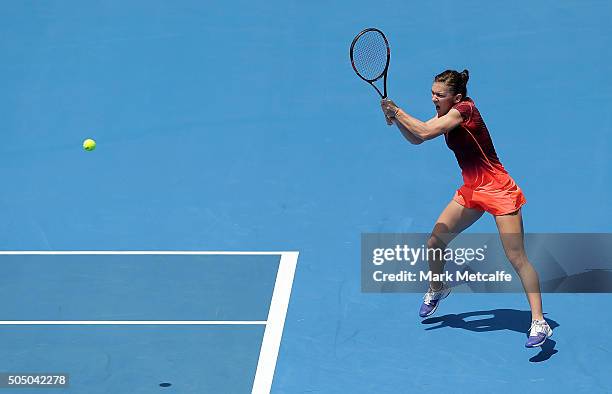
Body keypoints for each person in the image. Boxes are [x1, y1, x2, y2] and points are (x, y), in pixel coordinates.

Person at [380, 69, 553, 348]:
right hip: (473, 188)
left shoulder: (464, 111)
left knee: (516, 257)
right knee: (435, 241)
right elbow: (417, 138)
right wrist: (396, 118)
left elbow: (423, 132)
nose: (434, 98)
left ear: (456, 97)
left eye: (440, 94)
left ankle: (538, 321)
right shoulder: (446, 114)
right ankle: (438, 289)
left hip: (498, 189)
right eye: (433, 93)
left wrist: (396, 111)